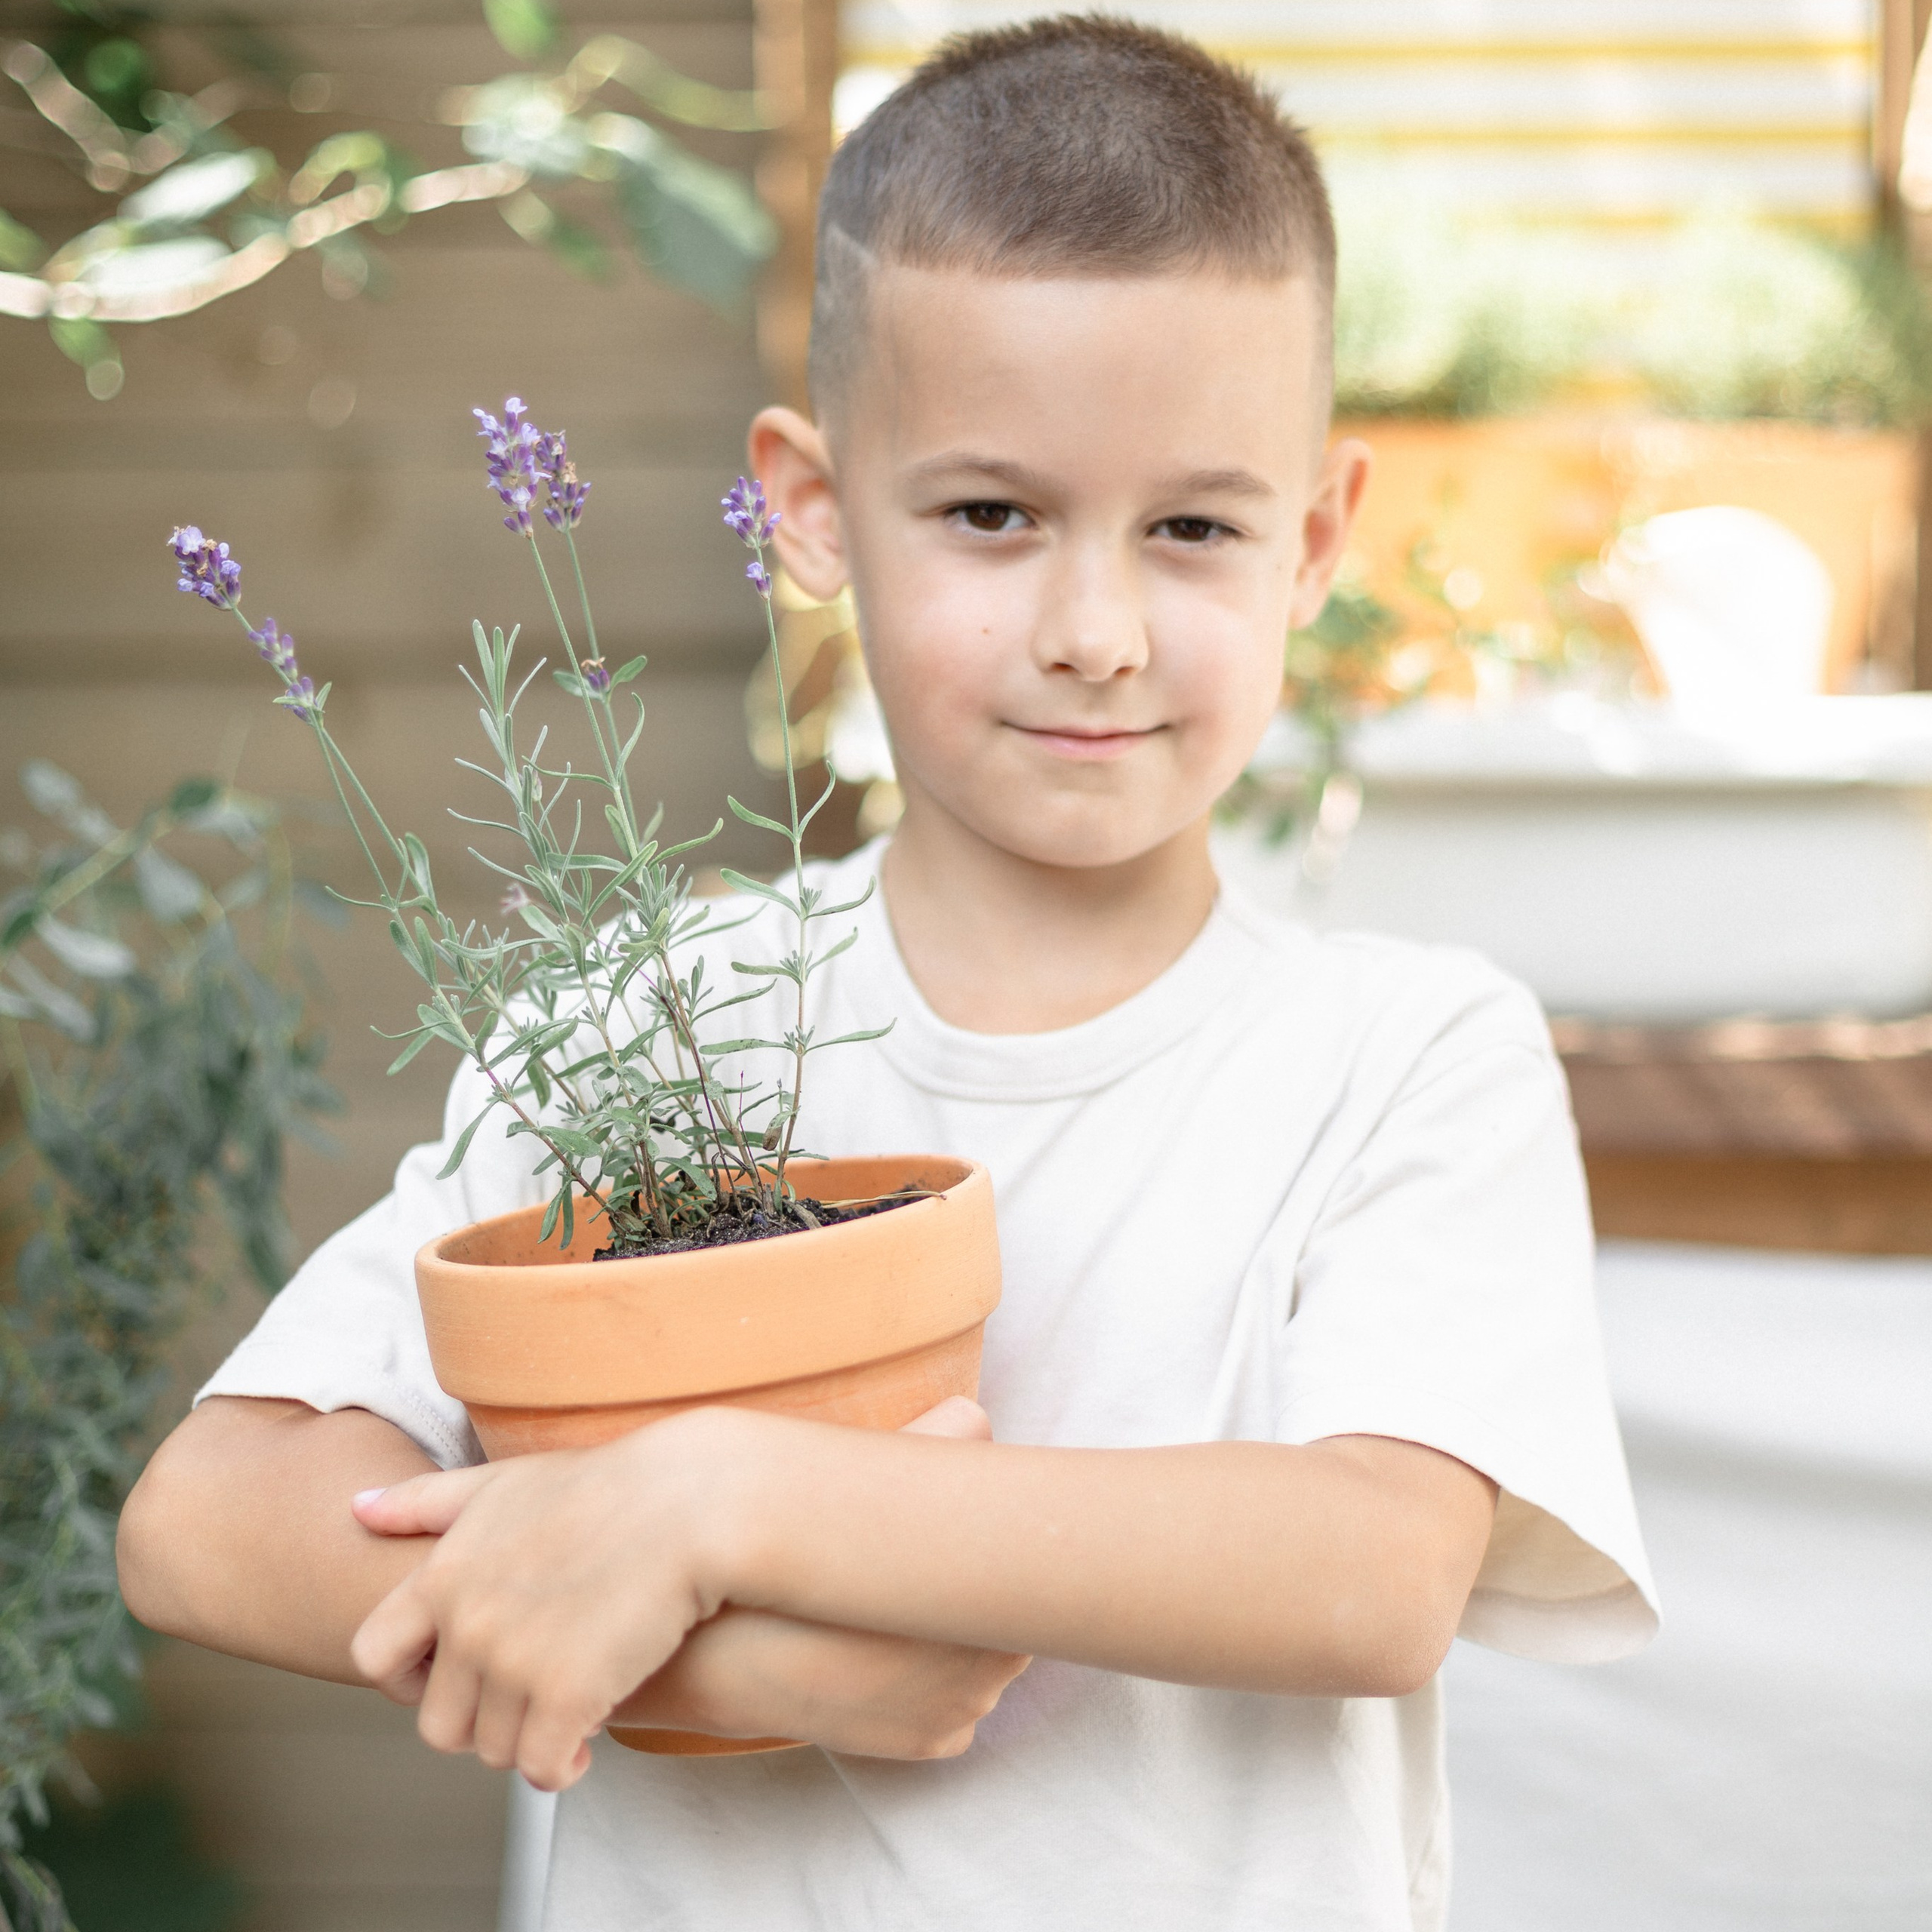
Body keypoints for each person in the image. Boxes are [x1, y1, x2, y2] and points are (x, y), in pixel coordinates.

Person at [118, 18, 1656, 1930]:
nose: (1093, 632)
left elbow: (1366, 1574)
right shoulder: (651, 1025)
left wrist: (717, 1508)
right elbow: (206, 1515)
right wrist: (750, 1668)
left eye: (1191, 525)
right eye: (991, 515)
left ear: (1317, 536)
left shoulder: (1403, 1055)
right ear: (813, 508)